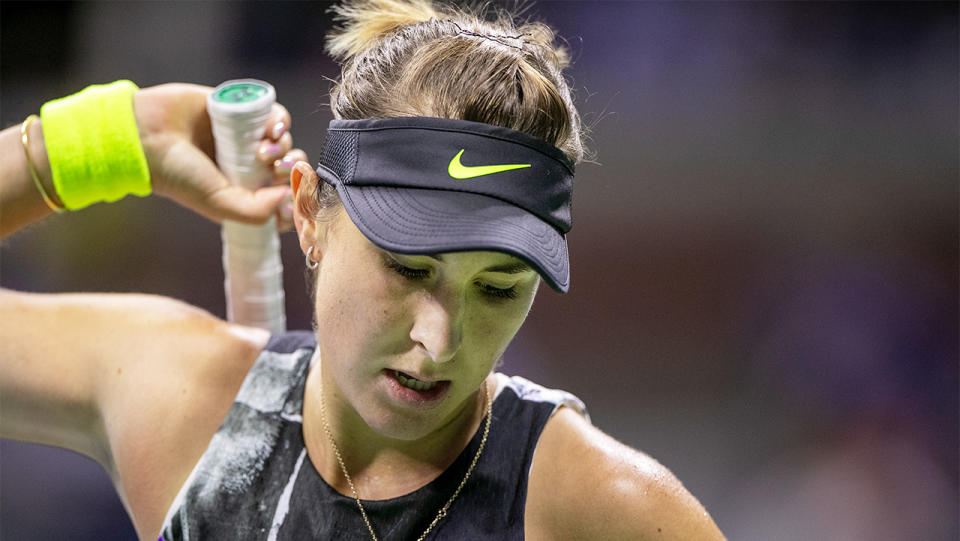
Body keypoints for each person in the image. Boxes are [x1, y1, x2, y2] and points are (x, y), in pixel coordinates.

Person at [0, 0, 726, 539]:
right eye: (409, 269)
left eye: (499, 286)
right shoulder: (180, 400)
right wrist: (102, 142)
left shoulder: (592, 503)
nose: (441, 341)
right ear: (310, 214)